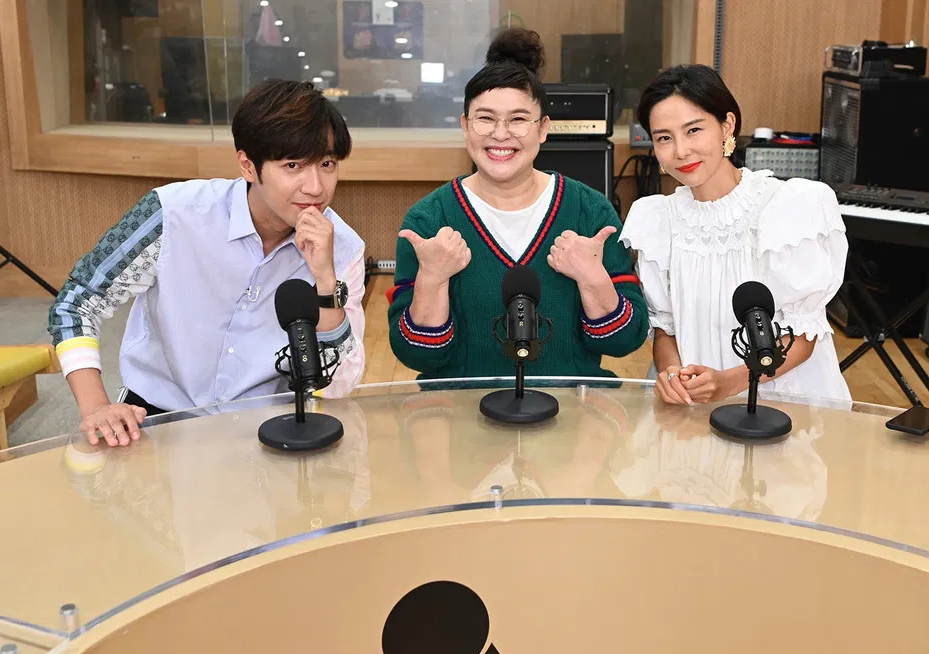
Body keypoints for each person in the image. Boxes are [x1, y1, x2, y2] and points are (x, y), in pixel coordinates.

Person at [48, 79, 367, 447]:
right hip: (155, 420)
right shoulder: (173, 213)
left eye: (327, 164)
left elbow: (339, 385)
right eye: (293, 165)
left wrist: (326, 281)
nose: (315, 187)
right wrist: (96, 407)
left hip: (267, 431)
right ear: (248, 166)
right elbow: (78, 301)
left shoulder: (342, 249)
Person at [386, 29, 649, 379]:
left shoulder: (590, 211)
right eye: (485, 118)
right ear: (465, 126)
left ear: (543, 129)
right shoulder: (428, 221)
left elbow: (625, 341)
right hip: (461, 410)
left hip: (569, 408)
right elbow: (416, 355)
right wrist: (432, 279)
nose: (500, 134)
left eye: (518, 119)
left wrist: (592, 278)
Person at [622, 64, 852, 406]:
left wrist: (729, 383)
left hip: (778, 397)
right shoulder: (656, 219)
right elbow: (665, 328)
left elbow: (803, 336)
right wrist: (672, 374)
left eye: (693, 130)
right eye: (664, 138)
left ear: (726, 125)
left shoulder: (787, 206)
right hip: (694, 399)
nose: (681, 151)